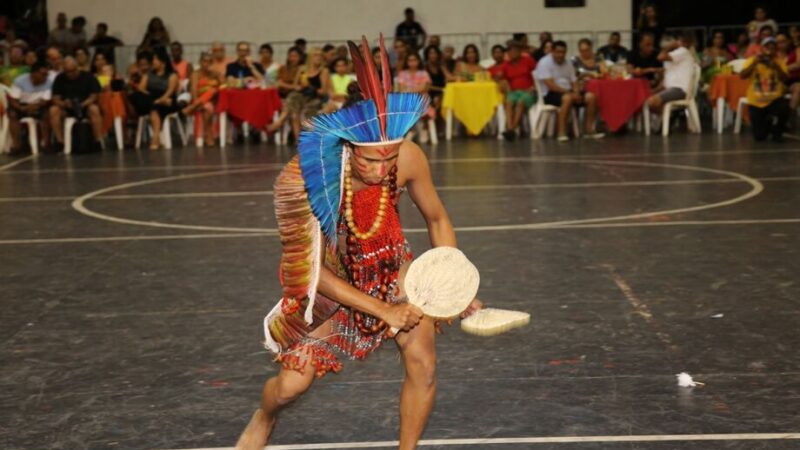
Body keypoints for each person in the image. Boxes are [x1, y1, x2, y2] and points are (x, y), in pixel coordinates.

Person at [234, 36, 482, 450]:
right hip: (332, 285)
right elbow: (312, 272)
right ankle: (265, 416)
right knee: (290, 387)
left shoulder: (407, 157)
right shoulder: (308, 180)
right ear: (348, 144)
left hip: (391, 267)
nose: (383, 168)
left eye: (390, 156)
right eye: (371, 159)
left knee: (424, 365)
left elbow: (437, 219)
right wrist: (384, 310)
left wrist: (449, 280)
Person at [535, 40, 603, 141]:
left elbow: (574, 81)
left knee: (591, 97)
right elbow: (550, 85)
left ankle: (589, 130)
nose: (561, 55)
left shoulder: (568, 63)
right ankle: (561, 133)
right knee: (567, 99)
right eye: (558, 52)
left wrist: (576, 92)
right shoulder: (544, 62)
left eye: (563, 52)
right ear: (552, 52)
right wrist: (569, 93)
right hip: (550, 94)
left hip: (569, 91)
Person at [739, 37, 789, 141]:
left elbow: (785, 79)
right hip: (756, 101)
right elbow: (742, 76)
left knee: (784, 107)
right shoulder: (752, 60)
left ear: (775, 49)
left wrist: (776, 67)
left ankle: (777, 131)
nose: (770, 49)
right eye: (767, 46)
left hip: (774, 99)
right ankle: (768, 123)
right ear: (762, 48)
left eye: (772, 47)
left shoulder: (779, 62)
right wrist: (754, 63)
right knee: (759, 137)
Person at [644, 33, 696, 131]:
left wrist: (670, 47)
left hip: (679, 89)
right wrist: (653, 90)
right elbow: (665, 81)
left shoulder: (683, 51)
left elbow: (660, 57)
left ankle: (667, 118)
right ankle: (667, 117)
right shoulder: (672, 56)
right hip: (670, 89)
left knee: (652, 102)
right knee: (646, 97)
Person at [130, 47, 179, 150]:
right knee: (138, 97)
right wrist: (154, 99)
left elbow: (169, 92)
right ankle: (156, 138)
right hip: (153, 98)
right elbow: (141, 89)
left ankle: (155, 138)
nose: (153, 62)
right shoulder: (148, 75)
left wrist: (160, 100)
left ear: (163, 61)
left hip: (167, 99)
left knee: (155, 107)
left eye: (155, 59)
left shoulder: (172, 75)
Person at [49, 56, 103, 149]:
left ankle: (97, 140)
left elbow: (94, 96)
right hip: (67, 108)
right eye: (67, 72)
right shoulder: (60, 78)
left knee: (94, 109)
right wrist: (63, 103)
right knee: (53, 110)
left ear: (77, 67)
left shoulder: (88, 77)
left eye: (73, 71)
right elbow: (55, 98)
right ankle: (60, 142)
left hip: (85, 106)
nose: (70, 74)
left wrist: (83, 104)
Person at [7, 62, 53, 154]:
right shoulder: (19, 81)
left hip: (39, 105)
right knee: (12, 114)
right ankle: (16, 145)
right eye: (43, 74)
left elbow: (46, 100)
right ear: (34, 74)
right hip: (21, 105)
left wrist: (35, 106)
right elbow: (13, 99)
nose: (45, 77)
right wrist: (22, 108)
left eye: (47, 74)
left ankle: (46, 144)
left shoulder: (48, 82)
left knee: (47, 114)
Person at [284, 47, 329, 140]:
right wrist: (302, 85)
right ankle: (298, 140)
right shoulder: (302, 69)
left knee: (307, 112)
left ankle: (308, 139)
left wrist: (310, 87)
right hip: (302, 95)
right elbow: (296, 86)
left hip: (315, 97)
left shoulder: (324, 71)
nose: (318, 58)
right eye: (316, 55)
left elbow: (323, 91)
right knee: (294, 111)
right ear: (310, 57)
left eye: (320, 56)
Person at [183, 52, 224, 146]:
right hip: (199, 100)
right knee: (207, 107)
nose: (207, 64)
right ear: (200, 62)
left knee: (213, 91)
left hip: (214, 101)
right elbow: (193, 88)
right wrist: (196, 100)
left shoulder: (216, 74)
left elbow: (223, 86)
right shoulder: (195, 74)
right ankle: (208, 135)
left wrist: (218, 77)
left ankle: (192, 107)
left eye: (210, 61)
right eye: (205, 61)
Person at [499, 40, 536, 141]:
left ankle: (511, 129)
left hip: (528, 91)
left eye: (515, 50)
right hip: (514, 92)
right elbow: (502, 79)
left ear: (520, 51)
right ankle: (511, 129)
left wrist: (533, 87)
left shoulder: (528, 61)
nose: (513, 53)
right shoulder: (506, 65)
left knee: (520, 103)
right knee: (508, 102)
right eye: (510, 51)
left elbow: (537, 75)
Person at [395, 52, 434, 142]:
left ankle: (424, 130)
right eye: (410, 60)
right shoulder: (402, 73)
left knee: (424, 108)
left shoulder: (424, 73)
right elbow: (401, 90)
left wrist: (409, 89)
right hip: (407, 100)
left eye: (414, 60)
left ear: (419, 61)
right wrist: (416, 88)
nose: (412, 62)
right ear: (406, 62)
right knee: (403, 108)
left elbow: (423, 88)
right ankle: (411, 131)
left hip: (422, 99)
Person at [424, 45, 448, 115]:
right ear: (427, 55)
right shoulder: (425, 68)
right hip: (431, 92)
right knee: (437, 99)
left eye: (435, 53)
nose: (433, 55)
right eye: (431, 53)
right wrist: (441, 89)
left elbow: (448, 77)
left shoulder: (441, 66)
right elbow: (427, 87)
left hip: (443, 91)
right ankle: (434, 118)